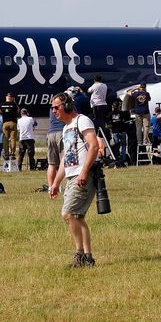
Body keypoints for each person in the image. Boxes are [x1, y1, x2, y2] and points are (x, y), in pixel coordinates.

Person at [47, 91, 100, 268]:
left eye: (56, 107)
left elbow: (94, 146)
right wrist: (55, 182)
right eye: (52, 108)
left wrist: (84, 172)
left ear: (67, 106)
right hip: (72, 176)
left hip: (82, 175)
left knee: (68, 214)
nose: (54, 111)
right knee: (77, 217)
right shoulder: (66, 127)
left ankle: (79, 255)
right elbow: (65, 158)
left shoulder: (82, 121)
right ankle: (88, 257)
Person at [127, 83, 151, 151]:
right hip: (146, 112)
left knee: (138, 128)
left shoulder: (136, 94)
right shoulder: (147, 93)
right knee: (146, 127)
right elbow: (149, 99)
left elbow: (128, 93)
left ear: (140, 87)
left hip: (138, 112)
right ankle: (145, 140)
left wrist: (135, 88)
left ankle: (139, 141)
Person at [0, 92, 20, 163]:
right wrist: (14, 102)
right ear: (12, 98)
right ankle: (12, 153)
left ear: (6, 97)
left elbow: (0, 111)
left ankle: (6, 153)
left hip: (5, 123)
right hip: (13, 123)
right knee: (13, 138)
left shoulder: (2, 104)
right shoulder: (14, 105)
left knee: (5, 139)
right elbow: (18, 110)